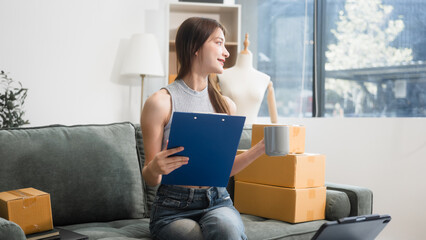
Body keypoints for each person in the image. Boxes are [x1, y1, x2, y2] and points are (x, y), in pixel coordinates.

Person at [140, 17, 266, 240]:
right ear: (195, 47)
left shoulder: (227, 106)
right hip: (172, 207)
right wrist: (156, 167)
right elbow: (151, 178)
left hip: (217, 200)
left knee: (227, 229)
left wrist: (261, 148)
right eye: (218, 43)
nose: (226, 53)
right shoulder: (160, 103)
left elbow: (223, 171)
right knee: (192, 236)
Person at [218, 33, 278, 125]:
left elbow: (274, 120)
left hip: (253, 132)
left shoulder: (264, 78)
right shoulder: (222, 75)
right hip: (229, 129)